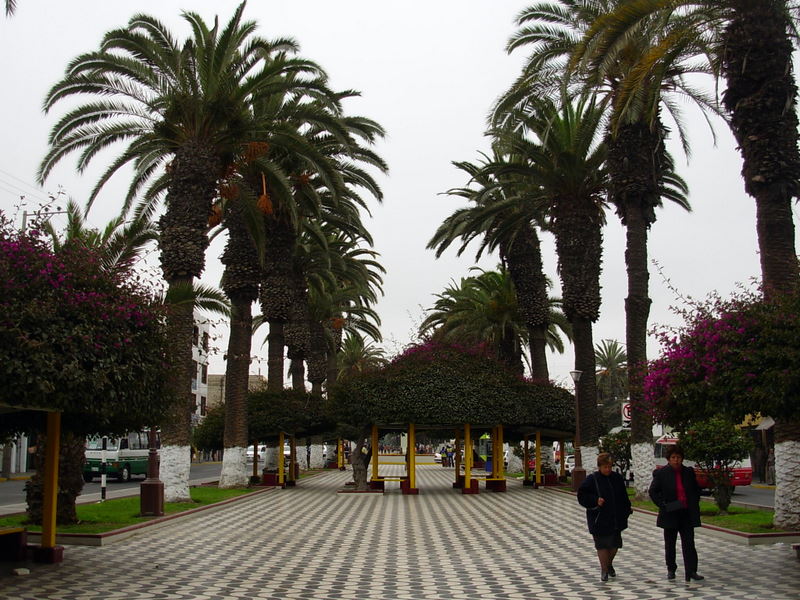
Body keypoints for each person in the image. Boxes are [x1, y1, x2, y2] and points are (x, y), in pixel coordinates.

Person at [648, 445, 704, 582]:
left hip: (686, 513)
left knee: (689, 543)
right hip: (670, 512)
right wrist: (663, 505)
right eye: (673, 457)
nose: (676, 460)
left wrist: (693, 502)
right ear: (669, 459)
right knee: (670, 543)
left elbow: (696, 490)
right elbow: (653, 491)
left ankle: (691, 571)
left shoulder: (688, 472)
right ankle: (671, 569)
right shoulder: (661, 473)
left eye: (678, 457)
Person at [577, 452, 633, 582]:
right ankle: (604, 570)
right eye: (605, 467)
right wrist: (595, 500)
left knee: (614, 545)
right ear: (599, 467)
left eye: (609, 467)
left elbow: (623, 496)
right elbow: (582, 495)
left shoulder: (617, 478)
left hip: (615, 518)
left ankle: (608, 564)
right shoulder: (592, 479)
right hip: (599, 518)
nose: (607, 469)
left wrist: (627, 509)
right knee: (602, 545)